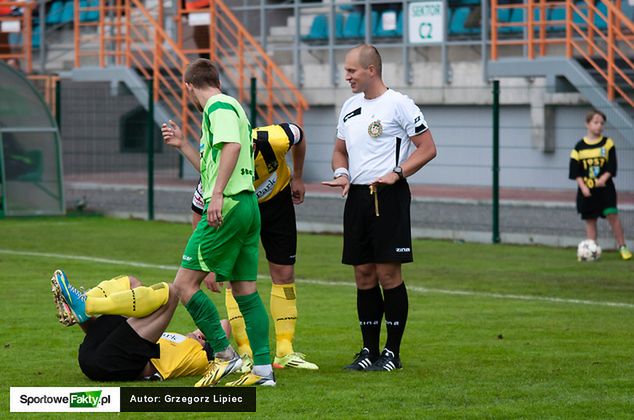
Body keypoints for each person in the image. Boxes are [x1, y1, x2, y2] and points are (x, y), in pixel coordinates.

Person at [162, 120, 318, 371]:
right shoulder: (217, 170)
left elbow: (300, 135)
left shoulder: (275, 138)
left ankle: (285, 352)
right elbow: (198, 212)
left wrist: (298, 177)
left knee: (284, 272)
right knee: (236, 278)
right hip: (238, 209)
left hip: (277, 201)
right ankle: (244, 354)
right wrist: (209, 264)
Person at [322, 45, 437, 372]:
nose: (347, 77)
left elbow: (427, 148)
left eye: (352, 71)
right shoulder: (349, 106)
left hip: (388, 197)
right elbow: (339, 151)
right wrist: (341, 173)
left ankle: (392, 353)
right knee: (363, 274)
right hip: (357, 198)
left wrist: (398, 172)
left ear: (371, 69)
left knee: (388, 273)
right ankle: (368, 350)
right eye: (346, 71)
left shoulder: (399, 104)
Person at [170, 58, 274, 387]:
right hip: (246, 205)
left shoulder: (218, 106)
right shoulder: (227, 109)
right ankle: (263, 371)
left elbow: (233, 146)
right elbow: (213, 164)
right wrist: (183, 144)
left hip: (227, 206)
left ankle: (224, 356)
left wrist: (215, 196)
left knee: (184, 285)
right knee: (246, 292)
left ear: (188, 86)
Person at [50, 269, 233, 382]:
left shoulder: (200, 358)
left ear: (207, 343)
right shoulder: (165, 335)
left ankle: (88, 304)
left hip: (112, 366)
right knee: (132, 283)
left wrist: (211, 342)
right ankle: (85, 305)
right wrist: (85, 321)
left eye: (203, 335)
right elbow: (112, 341)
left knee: (172, 292)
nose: (199, 333)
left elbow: (224, 325)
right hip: (91, 356)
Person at [569, 110, 632, 261]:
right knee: (590, 220)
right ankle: (592, 250)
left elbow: (612, 166)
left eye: (602, 123)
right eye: (595, 122)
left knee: (613, 216)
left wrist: (604, 178)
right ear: (587, 124)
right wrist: (583, 187)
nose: (599, 126)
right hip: (587, 192)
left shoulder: (608, 143)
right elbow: (575, 171)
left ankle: (622, 247)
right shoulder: (579, 147)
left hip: (606, 191)